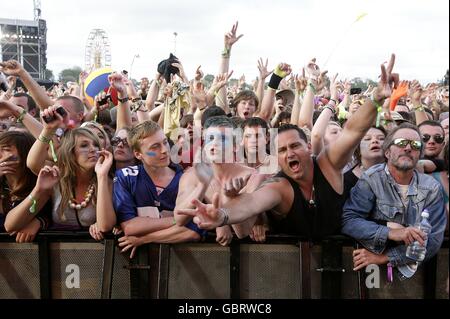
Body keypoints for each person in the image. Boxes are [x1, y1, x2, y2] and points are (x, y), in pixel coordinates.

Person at [176, 53, 401, 240]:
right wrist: (222, 216)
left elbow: (352, 131)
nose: (289, 153)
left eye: (294, 146)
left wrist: (376, 98)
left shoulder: (328, 165)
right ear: (276, 156)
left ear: (309, 148)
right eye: (282, 150)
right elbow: (251, 203)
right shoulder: (277, 186)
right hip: (289, 269)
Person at [342, 123, 447, 279]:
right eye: (401, 143)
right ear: (387, 152)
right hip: (372, 276)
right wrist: (391, 232)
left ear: (420, 154)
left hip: (416, 275)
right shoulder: (371, 179)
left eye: (415, 145)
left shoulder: (432, 188)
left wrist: (386, 257)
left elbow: (433, 241)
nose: (408, 148)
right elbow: (349, 220)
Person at [6, 117, 116, 240]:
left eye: (96, 145)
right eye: (84, 145)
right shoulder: (55, 179)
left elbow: (105, 226)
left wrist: (101, 176)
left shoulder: (107, 181)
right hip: (56, 254)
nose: (93, 149)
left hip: (94, 254)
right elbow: (10, 225)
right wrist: (38, 190)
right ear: (70, 152)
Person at [113, 120, 204, 257]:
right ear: (138, 154)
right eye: (154, 147)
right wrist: (177, 219)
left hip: (181, 263)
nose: (164, 150)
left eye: (165, 142)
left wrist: (144, 239)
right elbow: (131, 227)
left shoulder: (186, 178)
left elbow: (192, 231)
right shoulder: (126, 177)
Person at [174, 116, 268, 244]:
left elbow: (243, 231)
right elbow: (179, 219)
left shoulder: (252, 176)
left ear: (235, 146)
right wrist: (202, 186)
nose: (214, 144)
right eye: (210, 139)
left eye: (223, 138)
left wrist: (231, 199)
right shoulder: (191, 175)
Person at [0, 131, 51, 242]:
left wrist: (40, 221)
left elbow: (53, 215)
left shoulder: (42, 181)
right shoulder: (2, 185)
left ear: (25, 155)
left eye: (6, 149)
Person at [343, 126, 387, 197]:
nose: (374, 141)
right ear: (358, 148)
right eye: (367, 139)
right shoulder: (346, 181)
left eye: (381, 138)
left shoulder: (399, 173)